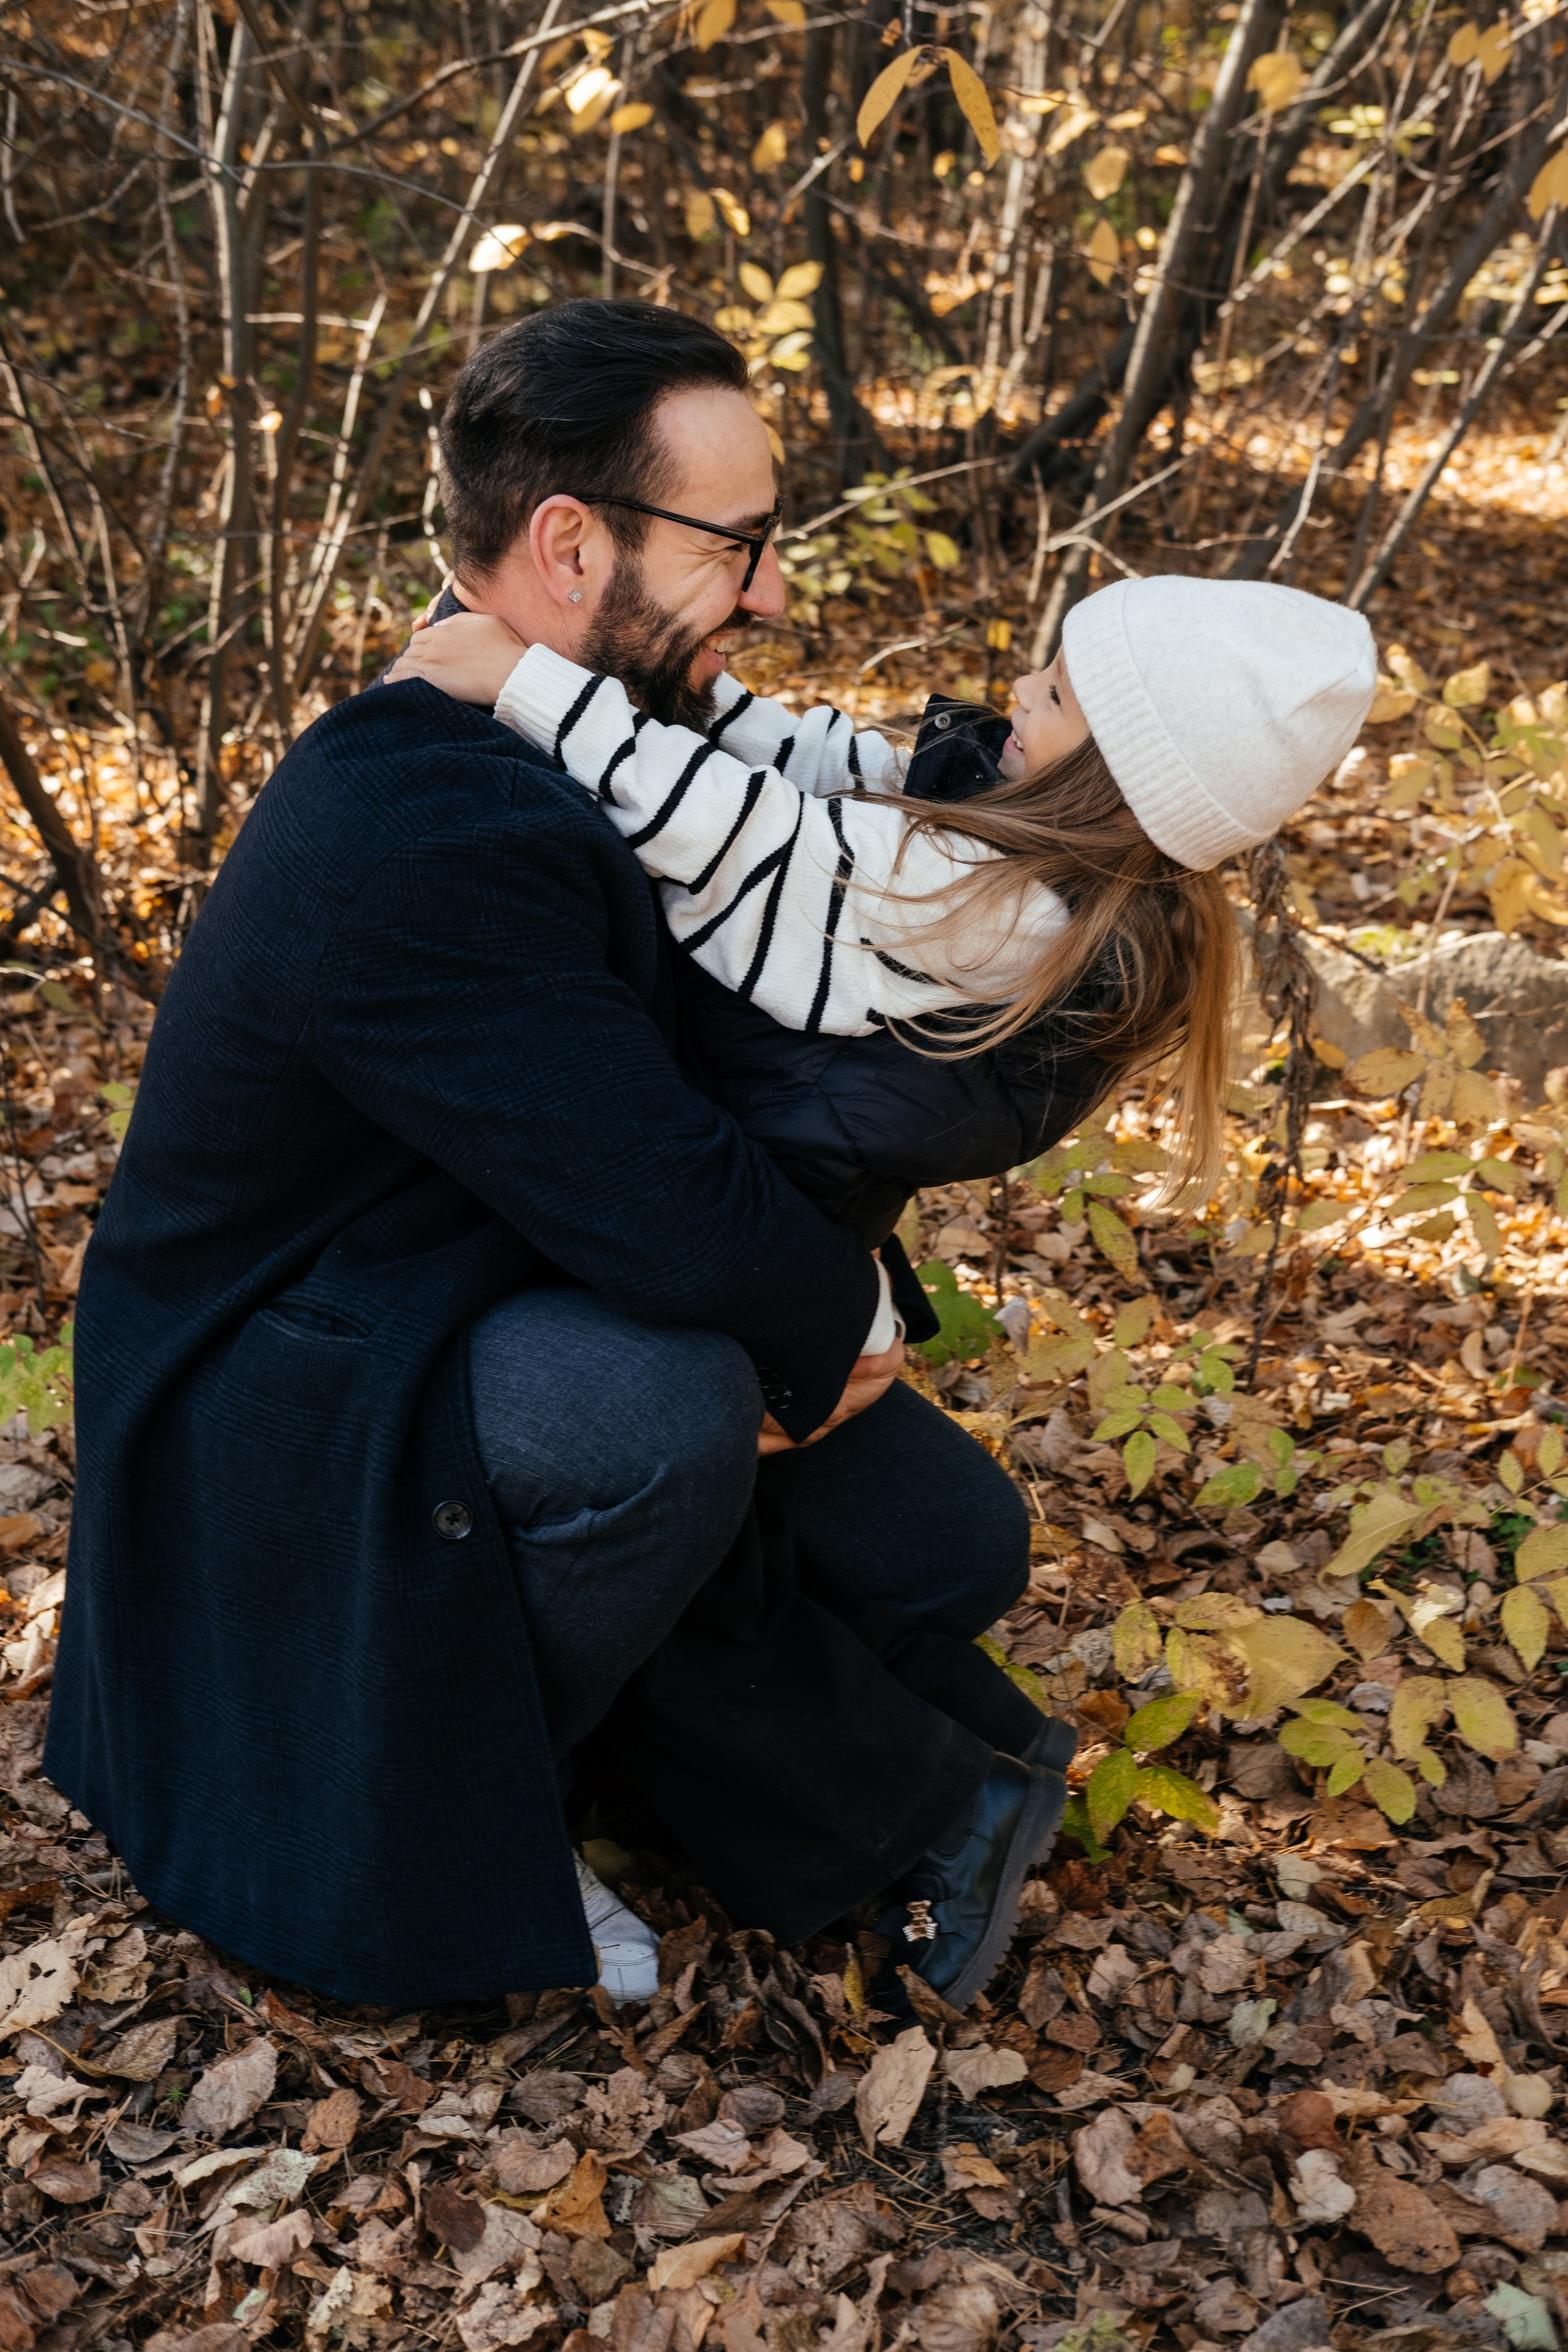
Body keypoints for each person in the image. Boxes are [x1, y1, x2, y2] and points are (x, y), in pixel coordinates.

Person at [43, 300, 1080, 2021]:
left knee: (941, 1546)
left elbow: (832, 891)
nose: (767, 592)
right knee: (659, 1420)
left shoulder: (602, 731)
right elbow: (666, 1197)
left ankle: (640, 1725)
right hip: (287, 1373)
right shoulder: (421, 823)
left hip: (481, 1274)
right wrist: (836, 1331)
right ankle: (443, 1820)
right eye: (739, 545)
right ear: (570, 541)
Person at [389, 573, 1379, 1207]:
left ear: (1123, 786)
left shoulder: (1015, 914)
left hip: (748, 1206)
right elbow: (833, 764)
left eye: (1060, 694)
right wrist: (703, 694)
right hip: (743, 1144)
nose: (1023, 689)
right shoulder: (1024, 818)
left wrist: (530, 686)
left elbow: (762, 832)